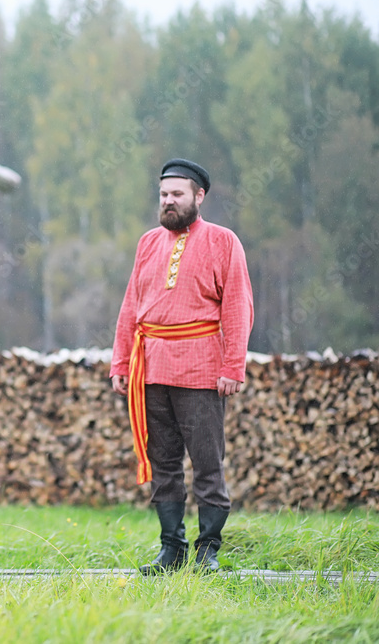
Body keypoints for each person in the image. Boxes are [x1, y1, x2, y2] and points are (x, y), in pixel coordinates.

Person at [110, 159, 253, 574]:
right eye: (163, 195)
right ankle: (171, 549)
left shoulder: (224, 242)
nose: (168, 202)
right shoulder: (148, 243)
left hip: (202, 368)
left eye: (177, 194)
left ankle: (207, 551)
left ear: (199, 196)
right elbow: (131, 306)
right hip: (150, 369)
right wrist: (121, 360)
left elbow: (238, 306)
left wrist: (233, 366)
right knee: (164, 463)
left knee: (207, 463)